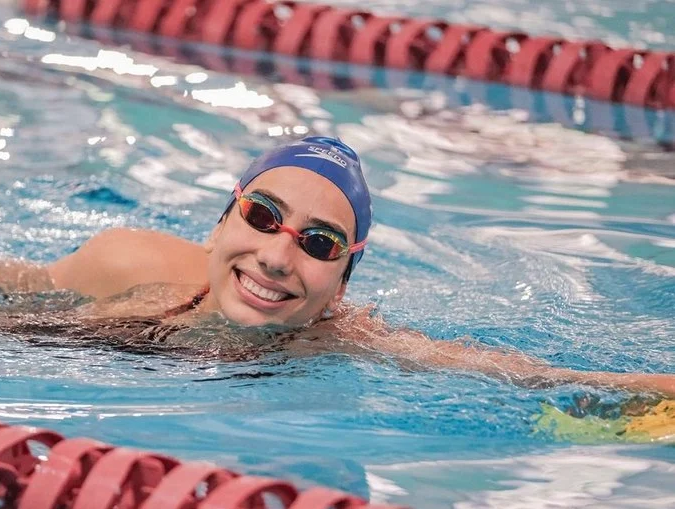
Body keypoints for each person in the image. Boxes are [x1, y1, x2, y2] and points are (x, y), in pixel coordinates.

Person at [42, 136, 675, 398]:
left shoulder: (341, 344)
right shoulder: (123, 262)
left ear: (342, 285)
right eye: (263, 216)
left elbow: (542, 376)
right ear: (220, 223)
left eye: (320, 244)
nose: (277, 255)